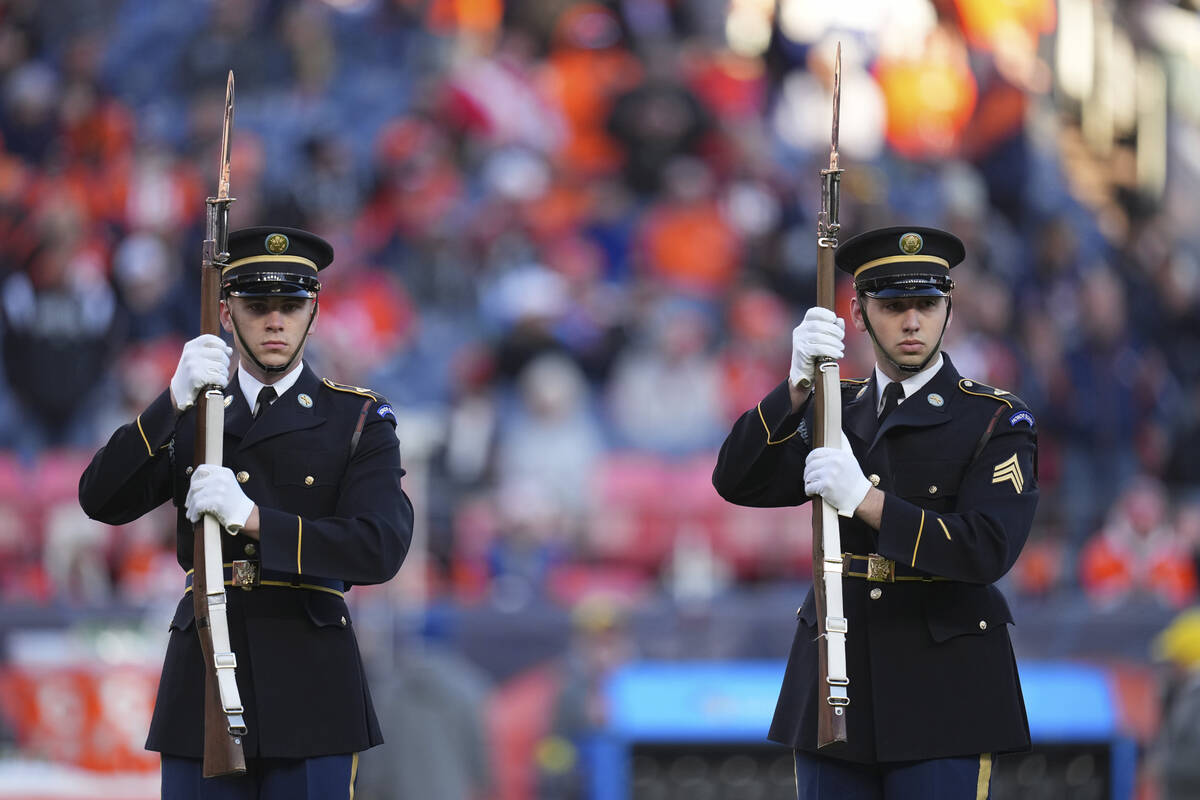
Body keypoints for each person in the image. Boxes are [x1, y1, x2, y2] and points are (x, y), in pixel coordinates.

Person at [78, 226, 414, 799]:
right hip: (205, 672)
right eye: (257, 306)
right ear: (228, 314)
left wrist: (255, 519)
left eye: (290, 306)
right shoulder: (196, 415)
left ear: (315, 312)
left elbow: (379, 546)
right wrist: (170, 402)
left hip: (311, 682)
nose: (275, 321)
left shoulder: (355, 419)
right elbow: (101, 499)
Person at [712, 226, 1039, 798]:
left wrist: (867, 501)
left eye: (927, 304)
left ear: (948, 308)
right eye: (891, 306)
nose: (911, 322)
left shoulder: (993, 419)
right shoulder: (835, 407)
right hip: (838, 682)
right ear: (859, 315)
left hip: (945, 690)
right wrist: (792, 388)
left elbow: (987, 547)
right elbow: (737, 479)